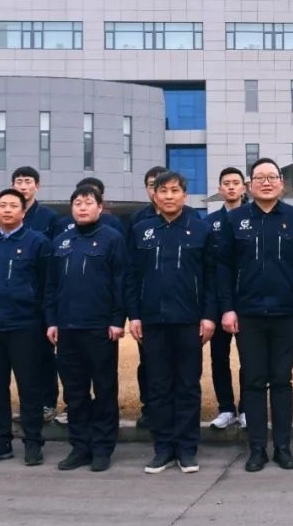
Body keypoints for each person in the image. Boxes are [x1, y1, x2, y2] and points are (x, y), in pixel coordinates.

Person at [217, 158, 293, 472]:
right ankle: (256, 448)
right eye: (260, 178)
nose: (266, 182)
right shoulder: (235, 220)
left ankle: (283, 447)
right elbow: (223, 268)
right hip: (248, 314)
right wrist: (227, 308)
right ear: (249, 185)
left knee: (282, 380)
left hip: (287, 313)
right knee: (254, 381)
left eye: (272, 177)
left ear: (282, 183)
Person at [127, 171, 218, 475]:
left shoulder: (201, 229)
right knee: (159, 386)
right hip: (152, 321)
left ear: (184, 195)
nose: (168, 196)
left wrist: (208, 316)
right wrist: (134, 315)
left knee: (188, 386)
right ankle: (163, 448)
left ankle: (187, 448)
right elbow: (131, 277)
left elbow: (211, 277)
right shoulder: (141, 230)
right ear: (154, 195)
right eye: (162, 190)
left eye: (174, 190)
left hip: (189, 321)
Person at [45, 184, 128, 473]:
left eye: (88, 202)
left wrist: (117, 320)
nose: (82, 207)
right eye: (77, 203)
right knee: (74, 392)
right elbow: (51, 286)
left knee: (104, 389)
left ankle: (103, 447)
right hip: (67, 327)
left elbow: (121, 282)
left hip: (100, 328)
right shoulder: (61, 241)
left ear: (100, 208)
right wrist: (52, 320)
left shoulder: (112, 238)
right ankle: (80, 446)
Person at [0, 188, 52, 467]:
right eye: (2, 205)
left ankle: (33, 442)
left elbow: (46, 285)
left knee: (30, 387)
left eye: (13, 206)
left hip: (25, 325)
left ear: (23, 212)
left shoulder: (37, 242)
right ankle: (0, 441)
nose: (7, 210)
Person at [11, 166, 59, 423]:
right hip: (16, 299)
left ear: (37, 186)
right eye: (18, 181)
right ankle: (29, 405)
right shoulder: (8, 215)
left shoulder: (48, 217)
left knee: (44, 354)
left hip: (42, 295)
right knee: (22, 358)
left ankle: (48, 403)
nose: (23, 186)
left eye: (27, 181)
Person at [204, 166, 247, 430]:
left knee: (248, 359)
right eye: (226, 183)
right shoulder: (209, 223)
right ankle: (226, 408)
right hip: (217, 301)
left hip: (246, 300)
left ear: (244, 187)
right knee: (219, 357)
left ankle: (246, 408)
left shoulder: (252, 218)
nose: (231, 187)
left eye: (235, 182)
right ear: (220, 189)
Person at [129, 165, 169, 430]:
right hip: (149, 306)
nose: (157, 190)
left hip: (180, 307)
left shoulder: (190, 218)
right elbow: (132, 266)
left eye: (162, 184)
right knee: (148, 362)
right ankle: (150, 408)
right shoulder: (138, 220)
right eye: (152, 184)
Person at [54, 177, 127, 238]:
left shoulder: (113, 223)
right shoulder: (63, 223)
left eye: (88, 202)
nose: (83, 207)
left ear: (102, 197)